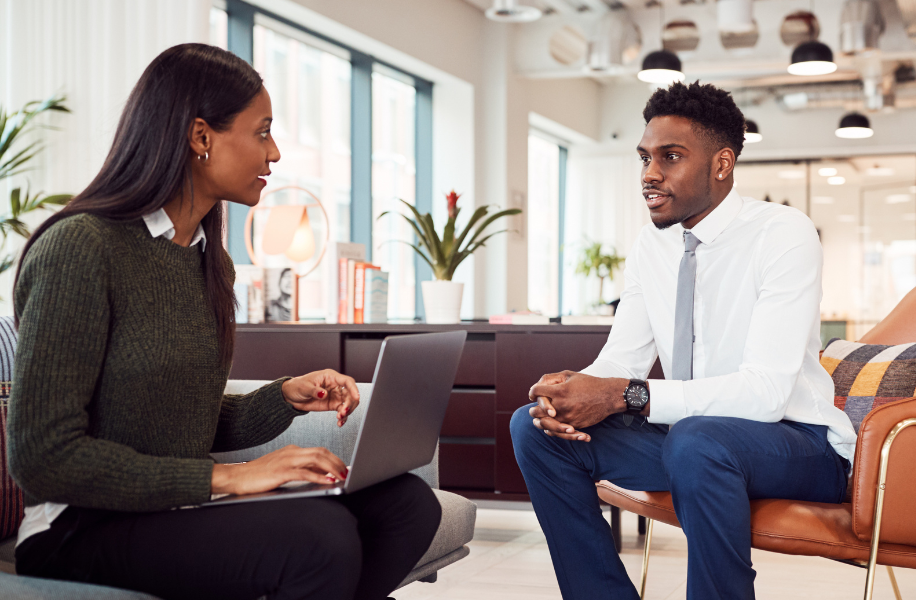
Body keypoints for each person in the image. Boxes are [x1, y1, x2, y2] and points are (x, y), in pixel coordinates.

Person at [9, 44, 440, 600]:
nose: (276, 152)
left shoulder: (207, 260)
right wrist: (229, 478)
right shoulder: (82, 248)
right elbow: (42, 457)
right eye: (262, 132)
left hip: (173, 506)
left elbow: (185, 419)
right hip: (81, 527)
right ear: (201, 137)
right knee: (320, 540)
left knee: (407, 506)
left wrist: (285, 396)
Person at [510, 82, 857, 600]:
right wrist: (572, 391)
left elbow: (765, 393)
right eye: (645, 157)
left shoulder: (784, 234)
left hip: (797, 446)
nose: (650, 174)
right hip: (692, 441)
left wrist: (625, 395)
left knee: (700, 439)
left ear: (722, 164)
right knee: (535, 428)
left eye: (670, 157)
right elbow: (620, 360)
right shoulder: (652, 244)